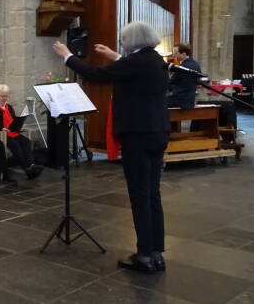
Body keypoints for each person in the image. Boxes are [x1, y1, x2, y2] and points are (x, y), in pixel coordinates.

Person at [52, 20, 170, 274]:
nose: (122, 44)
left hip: (137, 134)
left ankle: (144, 256)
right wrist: (114, 56)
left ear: (132, 41)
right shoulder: (155, 60)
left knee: (140, 195)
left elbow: (96, 76)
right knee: (152, 193)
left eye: (123, 40)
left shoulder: (135, 62)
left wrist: (68, 56)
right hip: (158, 131)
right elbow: (132, 70)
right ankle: (156, 252)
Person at [0, 85, 43, 180]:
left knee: (26, 141)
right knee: (15, 144)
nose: (5, 98)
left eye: (6, 96)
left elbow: (13, 120)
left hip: (12, 132)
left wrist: (19, 124)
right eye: (2, 96)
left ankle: (31, 166)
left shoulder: (9, 107)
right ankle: (27, 168)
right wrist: (1, 128)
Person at [167, 43, 200, 109]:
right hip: (190, 100)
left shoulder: (182, 67)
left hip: (179, 100)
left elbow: (171, 82)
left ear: (184, 54)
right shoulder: (196, 64)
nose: (173, 55)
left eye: (176, 53)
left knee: (157, 103)